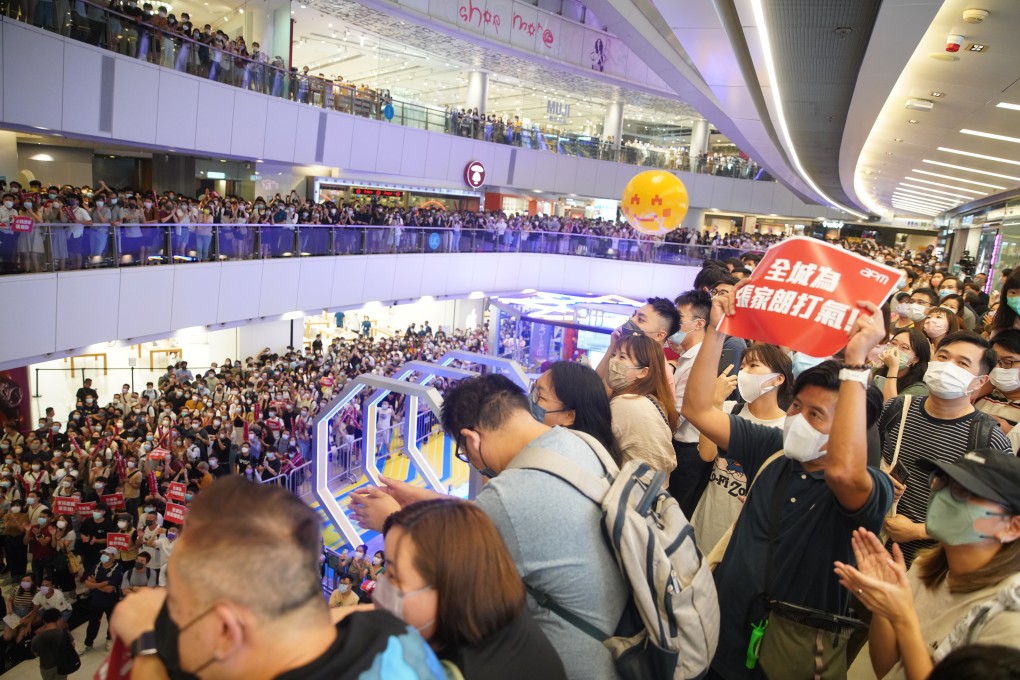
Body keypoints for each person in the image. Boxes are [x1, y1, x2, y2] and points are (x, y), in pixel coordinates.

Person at [350, 374, 630, 680]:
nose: (469, 459)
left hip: (568, 663)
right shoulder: (577, 442)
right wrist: (425, 500)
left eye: (464, 451)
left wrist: (391, 520)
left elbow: (444, 559)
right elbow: (505, 519)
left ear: (472, 439)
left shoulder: (508, 496)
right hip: (613, 639)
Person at [682, 293, 894, 679]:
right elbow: (696, 409)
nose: (798, 419)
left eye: (817, 414)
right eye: (797, 406)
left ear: (852, 427)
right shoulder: (775, 450)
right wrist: (716, 330)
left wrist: (856, 365)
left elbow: (844, 473)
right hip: (721, 637)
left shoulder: (866, 488)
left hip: (786, 655)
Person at [108, 476, 445, 680]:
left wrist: (147, 647)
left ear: (226, 630)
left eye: (176, 607)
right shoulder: (395, 636)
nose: (166, 616)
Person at [834, 449, 1020, 680]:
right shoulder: (925, 569)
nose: (943, 496)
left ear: (1012, 527)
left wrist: (903, 617)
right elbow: (888, 668)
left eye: (963, 492)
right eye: (941, 482)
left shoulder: (1007, 615)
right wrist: (886, 604)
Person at [379, 499, 566, 679]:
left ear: (449, 588)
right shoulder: (494, 612)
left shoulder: (459, 672)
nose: (381, 582)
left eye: (393, 575)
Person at [877, 331, 1012, 566]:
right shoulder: (896, 408)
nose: (948, 367)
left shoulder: (988, 437)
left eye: (962, 363)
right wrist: (877, 480)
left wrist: (920, 531)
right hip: (874, 549)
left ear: (980, 381)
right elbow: (862, 459)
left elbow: (999, 516)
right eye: (943, 357)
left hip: (934, 565)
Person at [691, 342, 792, 552]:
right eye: (743, 365)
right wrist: (716, 403)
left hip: (744, 530)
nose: (744, 371)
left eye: (753, 365)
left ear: (778, 378)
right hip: (708, 517)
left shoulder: (786, 430)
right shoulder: (729, 410)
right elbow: (707, 454)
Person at [605, 333, 679, 483]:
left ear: (643, 372)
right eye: (613, 354)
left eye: (622, 357)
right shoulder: (654, 400)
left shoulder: (626, 403)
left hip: (630, 495)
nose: (612, 361)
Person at [528, 361, 624, 466]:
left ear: (569, 416)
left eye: (539, 395)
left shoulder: (558, 461)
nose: (530, 398)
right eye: (533, 388)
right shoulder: (594, 452)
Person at [669, 289, 713, 515]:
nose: (673, 324)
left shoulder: (699, 360)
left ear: (699, 324)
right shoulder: (687, 357)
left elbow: (675, 416)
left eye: (679, 319)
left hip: (687, 452)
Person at [594, 297, 680, 383]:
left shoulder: (661, 374)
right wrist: (612, 347)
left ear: (659, 335)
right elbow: (594, 385)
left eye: (641, 320)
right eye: (633, 315)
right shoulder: (630, 353)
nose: (632, 320)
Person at [976, 329, 1020, 453]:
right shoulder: (978, 394)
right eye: (994, 362)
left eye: (1007, 362)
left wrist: (1011, 434)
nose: (997, 368)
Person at [82, 546, 123, 653]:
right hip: (96, 600)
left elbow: (110, 589)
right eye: (103, 553)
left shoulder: (117, 569)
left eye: (107, 554)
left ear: (113, 557)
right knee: (92, 623)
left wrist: (94, 584)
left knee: (112, 622)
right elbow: (87, 583)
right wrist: (102, 583)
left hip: (111, 601)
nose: (104, 555)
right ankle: (88, 643)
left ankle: (109, 639)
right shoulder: (96, 566)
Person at [874, 329, 931, 402]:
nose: (895, 349)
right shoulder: (876, 371)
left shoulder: (919, 388)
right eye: (893, 343)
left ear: (915, 359)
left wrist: (893, 368)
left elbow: (891, 408)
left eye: (904, 347)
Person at [30, 608, 68, 680]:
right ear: (58, 619)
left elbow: (35, 654)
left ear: (44, 621)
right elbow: (72, 645)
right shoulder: (64, 633)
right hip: (62, 664)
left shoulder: (36, 639)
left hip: (46, 667)